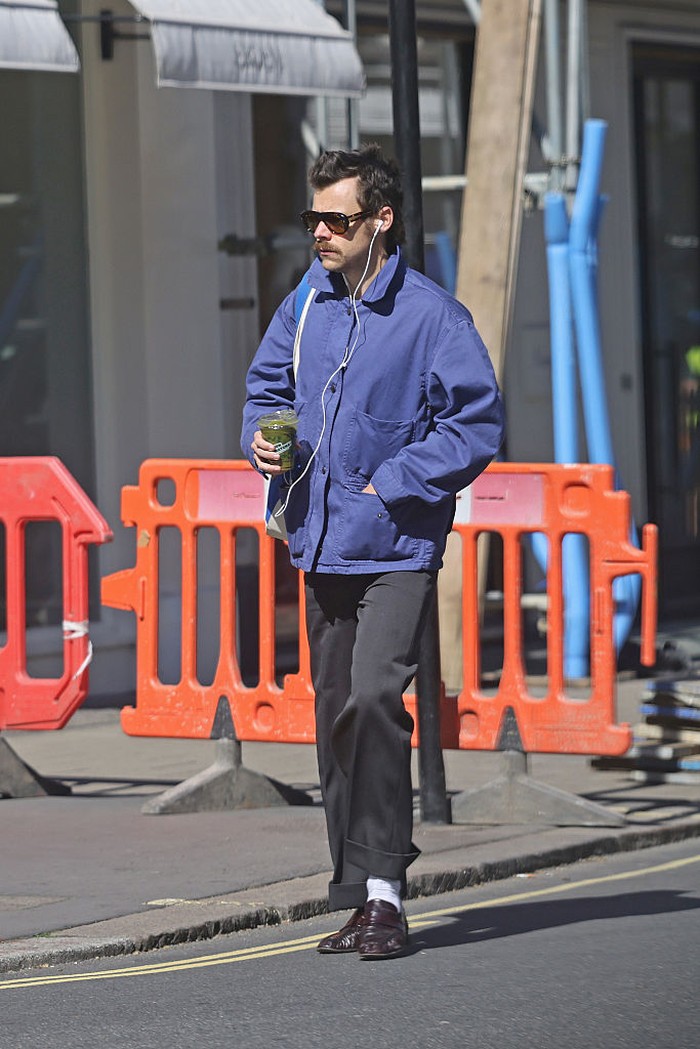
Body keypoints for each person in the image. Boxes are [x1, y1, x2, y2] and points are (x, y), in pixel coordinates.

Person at [241, 144, 504, 960]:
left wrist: (394, 480)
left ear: (380, 220)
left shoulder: (433, 316)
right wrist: (263, 437)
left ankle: (387, 893)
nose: (320, 231)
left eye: (337, 218)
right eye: (313, 217)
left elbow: (477, 424)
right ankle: (354, 889)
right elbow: (267, 387)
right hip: (320, 541)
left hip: (397, 543)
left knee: (373, 700)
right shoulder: (306, 304)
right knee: (333, 720)